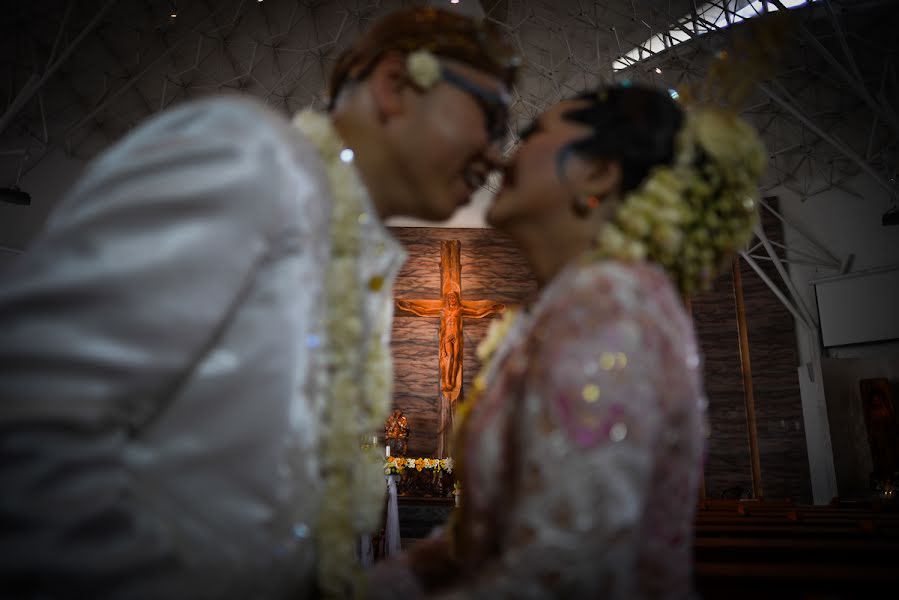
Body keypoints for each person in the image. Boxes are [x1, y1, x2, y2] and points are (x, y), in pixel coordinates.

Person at [0, 7, 518, 599]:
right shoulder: (249, 156)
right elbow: (29, 413)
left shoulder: (363, 255)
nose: (498, 156)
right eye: (492, 118)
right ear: (396, 86)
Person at [365, 83, 766, 597]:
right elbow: (478, 542)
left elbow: (562, 571)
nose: (500, 153)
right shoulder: (571, 306)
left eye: (531, 134)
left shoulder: (610, 312)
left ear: (598, 173)